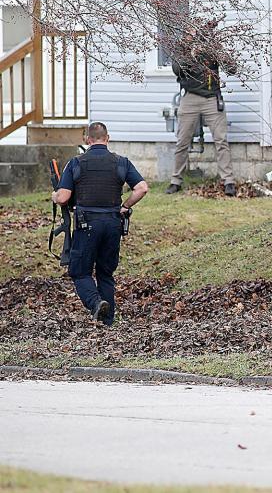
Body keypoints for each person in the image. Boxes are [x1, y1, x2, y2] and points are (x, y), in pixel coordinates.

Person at [52, 122, 149, 325]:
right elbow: (141, 188)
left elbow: (63, 198)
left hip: (86, 225)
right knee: (106, 272)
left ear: (87, 140)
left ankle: (96, 303)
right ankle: (108, 321)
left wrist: (55, 195)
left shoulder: (76, 163)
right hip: (113, 223)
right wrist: (125, 205)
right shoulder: (122, 162)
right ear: (107, 138)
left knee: (79, 271)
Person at [165, 21, 238, 197]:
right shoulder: (182, 48)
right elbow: (177, 69)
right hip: (190, 97)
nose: (195, 35)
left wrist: (217, 50)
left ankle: (228, 181)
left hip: (212, 98)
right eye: (191, 32)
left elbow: (232, 68)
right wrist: (190, 52)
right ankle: (176, 180)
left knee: (221, 140)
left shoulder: (212, 47)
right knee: (182, 140)